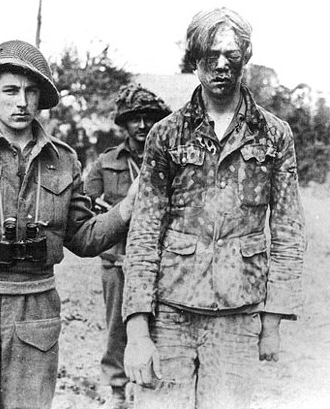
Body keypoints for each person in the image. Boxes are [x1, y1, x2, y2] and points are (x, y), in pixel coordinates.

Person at [0, 40, 137, 409]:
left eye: (31, 92)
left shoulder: (65, 160)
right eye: (10, 90)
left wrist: (126, 209)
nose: (21, 102)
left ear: (41, 99)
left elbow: (81, 237)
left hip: (34, 314)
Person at [122, 8, 306, 409]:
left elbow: (290, 231)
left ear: (246, 57)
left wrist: (272, 318)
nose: (222, 64)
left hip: (238, 317)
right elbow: (143, 232)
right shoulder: (166, 134)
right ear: (194, 58)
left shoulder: (275, 134)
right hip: (170, 313)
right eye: (211, 54)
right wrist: (138, 331)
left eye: (232, 54)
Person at [85, 84, 171, 409]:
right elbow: (85, 205)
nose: (142, 125)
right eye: (134, 118)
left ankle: (153, 387)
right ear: (124, 123)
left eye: (149, 118)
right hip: (117, 259)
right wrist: (116, 212)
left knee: (158, 324)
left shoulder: (168, 159)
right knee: (116, 329)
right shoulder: (107, 162)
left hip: (157, 260)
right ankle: (118, 392)